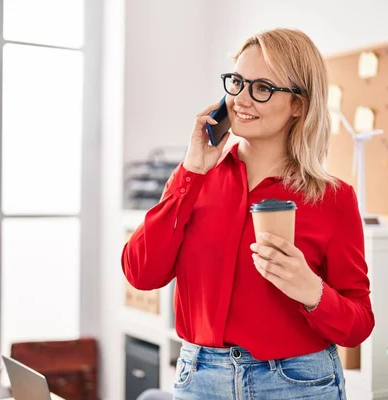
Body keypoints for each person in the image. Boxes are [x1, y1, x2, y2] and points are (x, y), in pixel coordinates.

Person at [121, 28, 374, 400]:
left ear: (298, 105)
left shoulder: (332, 198)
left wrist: (312, 291)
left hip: (297, 383)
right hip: (199, 378)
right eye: (237, 82)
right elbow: (141, 273)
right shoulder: (194, 179)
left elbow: (359, 323)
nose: (241, 99)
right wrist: (191, 171)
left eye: (262, 88)